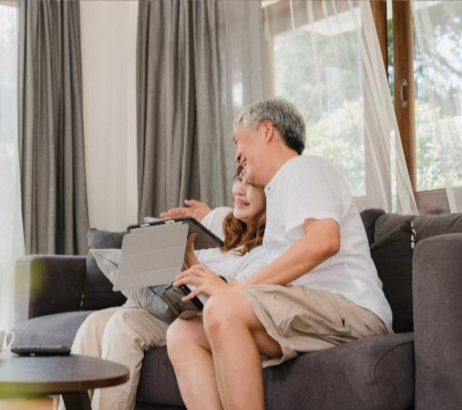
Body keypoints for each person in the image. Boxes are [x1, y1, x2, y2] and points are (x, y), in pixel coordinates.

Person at [166, 99, 392, 410]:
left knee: (224, 308)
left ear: (267, 131)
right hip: (305, 313)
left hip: (352, 309)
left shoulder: (303, 169)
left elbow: (324, 241)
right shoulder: (277, 193)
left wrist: (235, 291)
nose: (237, 155)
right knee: (184, 333)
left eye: (239, 140)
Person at [65, 165, 271, 410]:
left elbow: (234, 302)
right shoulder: (222, 221)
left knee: (123, 325)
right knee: (93, 325)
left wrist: (191, 264)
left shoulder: (265, 253)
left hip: (194, 315)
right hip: (166, 301)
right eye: (239, 179)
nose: (239, 190)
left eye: (251, 185)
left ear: (271, 196)